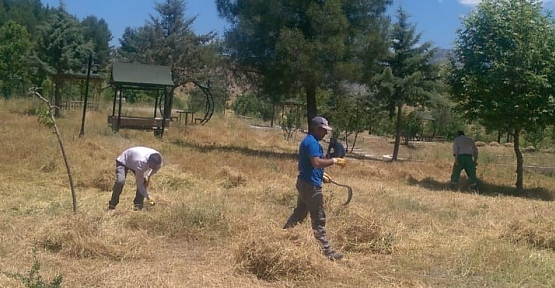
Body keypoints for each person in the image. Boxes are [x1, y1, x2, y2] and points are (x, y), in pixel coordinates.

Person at [283, 116, 347, 261]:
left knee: (299, 214)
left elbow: (312, 165)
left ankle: (283, 236)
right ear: (317, 129)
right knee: (318, 219)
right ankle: (327, 252)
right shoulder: (312, 143)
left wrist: (322, 175)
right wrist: (335, 161)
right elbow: (317, 162)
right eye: (324, 130)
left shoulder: (309, 141)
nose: (326, 133)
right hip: (311, 187)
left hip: (305, 182)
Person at [108, 146, 163, 211]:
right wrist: (148, 197)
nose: (152, 168)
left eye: (154, 166)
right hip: (124, 161)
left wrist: (148, 176)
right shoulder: (141, 163)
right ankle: (112, 205)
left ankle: (138, 207)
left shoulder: (159, 162)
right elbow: (140, 185)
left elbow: (154, 170)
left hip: (134, 160)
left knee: (144, 181)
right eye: (152, 166)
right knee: (120, 181)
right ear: (149, 161)